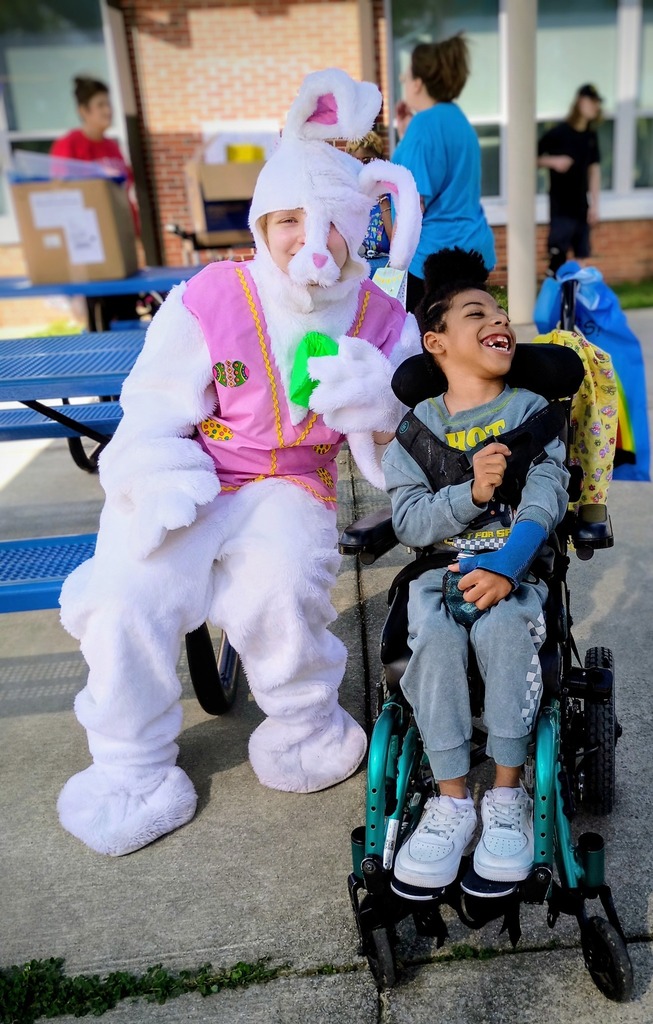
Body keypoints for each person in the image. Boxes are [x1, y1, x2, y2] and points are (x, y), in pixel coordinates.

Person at [56, 67, 423, 857]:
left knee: (280, 592)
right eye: (286, 219)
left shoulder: (384, 318)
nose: (306, 241)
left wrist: (384, 403)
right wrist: (155, 472)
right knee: (127, 595)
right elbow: (153, 404)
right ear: (262, 222)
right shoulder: (212, 295)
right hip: (192, 472)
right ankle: (129, 766)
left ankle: (303, 727)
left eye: (328, 223)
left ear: (355, 226)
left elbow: (415, 441)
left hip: (291, 484)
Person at [382, 247, 569, 895]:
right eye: (476, 313)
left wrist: (508, 566)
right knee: (433, 637)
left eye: (500, 312)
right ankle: (453, 802)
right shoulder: (415, 432)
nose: (499, 321)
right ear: (436, 343)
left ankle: (507, 796)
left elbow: (546, 497)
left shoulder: (529, 412)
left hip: (515, 571)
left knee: (501, 629)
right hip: (438, 574)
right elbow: (410, 523)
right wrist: (471, 494)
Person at [391, 34, 495, 313]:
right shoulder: (457, 119)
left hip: (434, 261)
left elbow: (414, 205)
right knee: (467, 329)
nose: (402, 78)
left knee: (422, 334)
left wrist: (395, 262)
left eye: (407, 74)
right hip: (471, 250)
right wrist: (406, 135)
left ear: (418, 82)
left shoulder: (424, 126)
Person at [51, 76, 141, 327]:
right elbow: (61, 195)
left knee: (128, 319)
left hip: (120, 244)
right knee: (101, 325)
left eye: (108, 103)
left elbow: (124, 189)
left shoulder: (111, 146)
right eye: (100, 105)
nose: (107, 110)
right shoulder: (69, 145)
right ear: (84, 111)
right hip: (90, 250)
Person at [537, 84, 603, 276]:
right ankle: (553, 293)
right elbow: (529, 158)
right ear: (580, 101)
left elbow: (594, 171)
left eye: (597, 103)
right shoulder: (558, 133)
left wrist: (595, 205)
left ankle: (576, 294)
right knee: (557, 259)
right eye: (592, 102)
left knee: (582, 258)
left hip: (582, 206)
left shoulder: (590, 136)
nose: (596, 107)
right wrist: (553, 161)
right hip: (561, 207)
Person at [345, 132, 393, 274]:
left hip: (386, 271)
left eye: (366, 161)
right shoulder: (348, 196)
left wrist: (383, 200)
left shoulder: (391, 195)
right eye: (356, 162)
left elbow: (397, 244)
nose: (361, 168)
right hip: (358, 271)